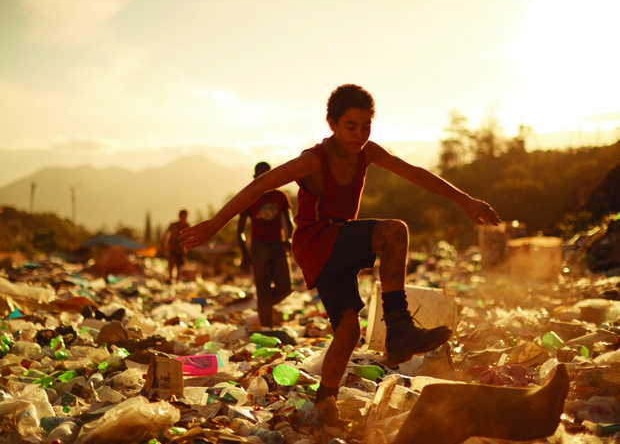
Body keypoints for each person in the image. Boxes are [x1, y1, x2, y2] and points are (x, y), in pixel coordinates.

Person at [180, 84, 501, 425]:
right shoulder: (314, 160)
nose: (359, 135)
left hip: (337, 244)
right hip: (316, 239)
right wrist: (214, 225)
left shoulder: (368, 152)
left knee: (348, 332)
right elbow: (260, 186)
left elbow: (415, 174)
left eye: (366, 127)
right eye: (351, 127)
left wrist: (465, 200)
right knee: (395, 232)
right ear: (332, 123)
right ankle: (398, 326)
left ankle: (324, 405)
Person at [237, 161, 294, 328]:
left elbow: (289, 222)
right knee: (262, 289)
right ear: (255, 178)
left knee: (286, 287)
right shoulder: (249, 197)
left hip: (278, 244)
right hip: (259, 246)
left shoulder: (280, 196)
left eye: (268, 174)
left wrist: (289, 239)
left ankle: (265, 304)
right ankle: (267, 329)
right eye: (261, 175)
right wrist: (245, 254)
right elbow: (240, 230)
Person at [161, 209, 190, 283]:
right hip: (172, 246)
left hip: (181, 247)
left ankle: (178, 280)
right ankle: (170, 278)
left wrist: (186, 248)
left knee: (179, 265)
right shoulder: (174, 225)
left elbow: (189, 237)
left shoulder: (187, 226)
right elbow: (167, 233)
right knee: (171, 261)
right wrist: (164, 242)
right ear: (180, 216)